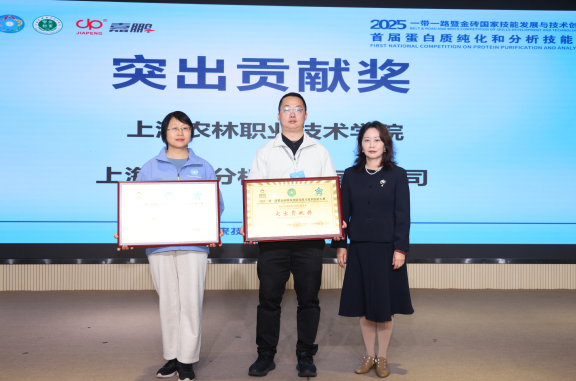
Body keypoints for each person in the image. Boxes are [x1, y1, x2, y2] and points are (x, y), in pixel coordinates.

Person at [114, 111, 224, 381]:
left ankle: (187, 360)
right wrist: (127, 231)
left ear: (191, 133)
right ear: (164, 133)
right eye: (174, 128)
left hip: (194, 245)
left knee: (191, 302)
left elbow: (216, 204)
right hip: (159, 246)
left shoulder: (203, 166)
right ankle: (172, 357)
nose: (180, 132)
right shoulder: (149, 167)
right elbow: (136, 205)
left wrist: (213, 227)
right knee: (168, 302)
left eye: (185, 128)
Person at [242, 92, 337, 378]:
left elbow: (331, 192)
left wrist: (335, 220)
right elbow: (254, 193)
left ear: (306, 115)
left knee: (309, 299)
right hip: (273, 242)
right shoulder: (265, 152)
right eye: (286, 109)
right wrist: (251, 222)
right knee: (269, 299)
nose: (292, 114)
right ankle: (265, 354)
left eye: (298, 109)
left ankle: (306, 354)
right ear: (278, 115)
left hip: (310, 241)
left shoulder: (319, 151)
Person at [331, 121, 413, 378]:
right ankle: (368, 355)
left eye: (377, 140)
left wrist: (400, 249)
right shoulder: (350, 175)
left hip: (387, 250)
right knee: (364, 305)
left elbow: (403, 216)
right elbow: (342, 214)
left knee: (384, 307)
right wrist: (341, 246)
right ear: (360, 145)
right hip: (359, 249)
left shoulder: (397, 175)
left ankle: (383, 357)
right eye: (367, 140)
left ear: (386, 145)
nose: (372, 144)